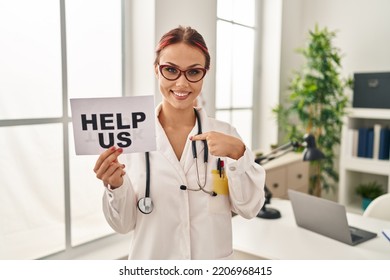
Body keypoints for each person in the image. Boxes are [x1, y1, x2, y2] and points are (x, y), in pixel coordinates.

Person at [93, 26, 265, 260]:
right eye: (171, 70)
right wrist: (115, 186)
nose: (182, 83)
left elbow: (248, 208)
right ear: (156, 70)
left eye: (193, 72)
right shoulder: (130, 138)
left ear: (205, 72)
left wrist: (238, 154)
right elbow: (123, 225)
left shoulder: (226, 134)